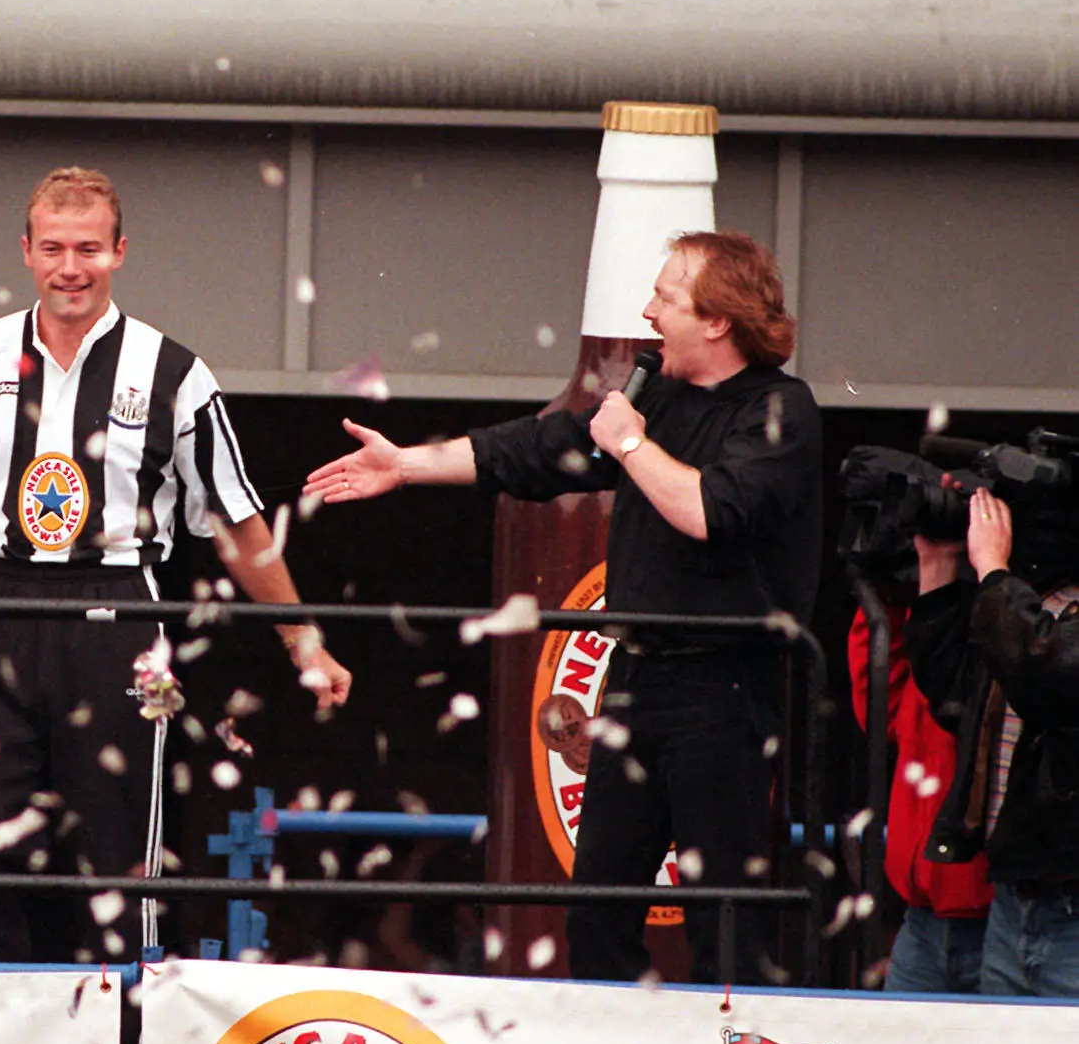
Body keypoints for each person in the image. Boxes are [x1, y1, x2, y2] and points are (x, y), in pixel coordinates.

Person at [305, 229, 821, 984]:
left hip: (726, 687)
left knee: (725, 911)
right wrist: (407, 465)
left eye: (666, 298)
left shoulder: (783, 410)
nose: (647, 312)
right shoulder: (660, 399)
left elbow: (714, 511)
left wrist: (633, 447)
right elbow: (537, 451)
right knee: (598, 908)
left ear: (718, 320)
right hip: (635, 678)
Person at [0, 166, 352, 962]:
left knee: (119, 867)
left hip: (117, 619)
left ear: (120, 252)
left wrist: (302, 639)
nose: (70, 267)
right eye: (54, 248)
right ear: (25, 252)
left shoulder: (174, 372)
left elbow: (233, 517)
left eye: (88, 249)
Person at [906, 487, 1079, 997]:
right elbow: (955, 697)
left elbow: (1042, 672)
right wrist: (938, 565)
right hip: (1012, 902)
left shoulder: (1027, 618)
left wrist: (994, 570)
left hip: (1073, 910)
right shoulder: (1034, 605)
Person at [848, 597, 991, 993]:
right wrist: (887, 592)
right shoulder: (923, 635)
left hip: (1005, 920)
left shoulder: (1014, 636)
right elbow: (878, 711)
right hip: (921, 921)